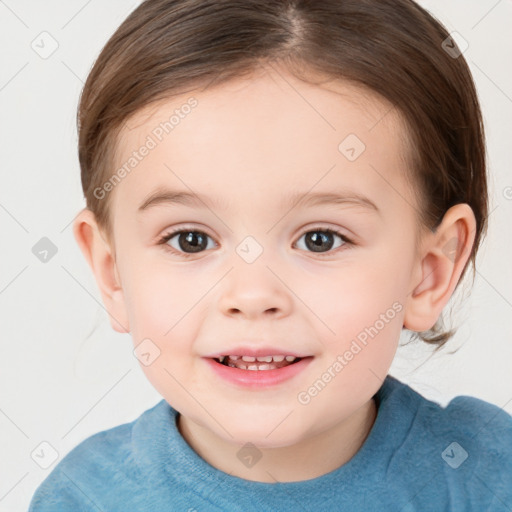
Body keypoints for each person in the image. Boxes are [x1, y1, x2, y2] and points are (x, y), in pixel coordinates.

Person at [28, 0, 512, 510]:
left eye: (320, 238)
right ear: (113, 273)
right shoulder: (85, 499)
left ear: (428, 274)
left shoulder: (488, 480)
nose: (253, 295)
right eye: (190, 239)